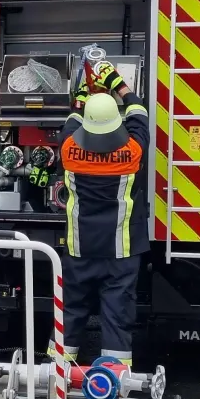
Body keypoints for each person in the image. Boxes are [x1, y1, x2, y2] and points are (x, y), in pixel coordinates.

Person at [53, 83, 151, 369]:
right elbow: (139, 117)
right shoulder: (133, 152)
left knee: (70, 308)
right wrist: (119, 86)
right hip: (120, 252)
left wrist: (81, 95)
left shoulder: (69, 149)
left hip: (80, 248)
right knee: (117, 312)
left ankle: (59, 369)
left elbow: (71, 122)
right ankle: (113, 374)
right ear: (115, 123)